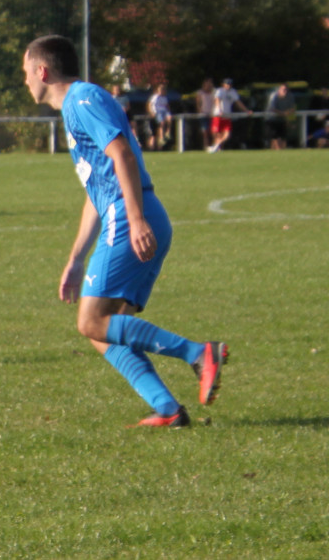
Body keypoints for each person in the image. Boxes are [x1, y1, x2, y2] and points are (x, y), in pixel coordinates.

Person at [22, 35, 228, 427]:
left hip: (131, 214)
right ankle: (168, 410)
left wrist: (135, 220)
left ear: (42, 71)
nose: (25, 80)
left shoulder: (83, 100)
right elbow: (97, 188)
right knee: (104, 330)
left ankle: (200, 355)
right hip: (128, 211)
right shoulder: (76, 108)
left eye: (25, 72)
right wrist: (75, 258)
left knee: (91, 321)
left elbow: (122, 156)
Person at [209, 77, 251, 153]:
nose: (228, 86)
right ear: (223, 84)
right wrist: (219, 110)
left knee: (227, 135)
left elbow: (238, 102)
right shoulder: (220, 91)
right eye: (227, 84)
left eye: (230, 84)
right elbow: (217, 99)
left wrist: (246, 110)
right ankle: (218, 148)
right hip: (218, 115)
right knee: (216, 134)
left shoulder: (233, 92)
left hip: (227, 116)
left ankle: (215, 147)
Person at [265, 82, 297, 150]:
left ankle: (282, 152)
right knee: (274, 137)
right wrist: (283, 113)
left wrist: (287, 115)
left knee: (283, 137)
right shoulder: (274, 96)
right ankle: (275, 152)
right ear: (279, 90)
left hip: (282, 119)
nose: (285, 91)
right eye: (283, 89)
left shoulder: (290, 96)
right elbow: (272, 109)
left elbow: (293, 108)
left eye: (286, 89)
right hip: (271, 119)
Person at [146, 84, 172, 151]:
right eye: (161, 90)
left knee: (169, 118)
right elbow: (149, 104)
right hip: (158, 112)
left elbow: (167, 105)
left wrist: (169, 111)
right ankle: (161, 138)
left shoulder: (165, 98)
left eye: (163, 90)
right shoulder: (155, 97)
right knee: (161, 123)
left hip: (164, 112)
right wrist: (151, 112)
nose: (162, 91)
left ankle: (167, 132)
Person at [195, 78, 216, 151]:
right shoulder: (200, 93)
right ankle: (206, 147)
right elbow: (198, 104)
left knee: (213, 131)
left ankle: (214, 146)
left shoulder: (214, 92)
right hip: (203, 114)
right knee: (205, 132)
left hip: (213, 114)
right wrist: (200, 112)